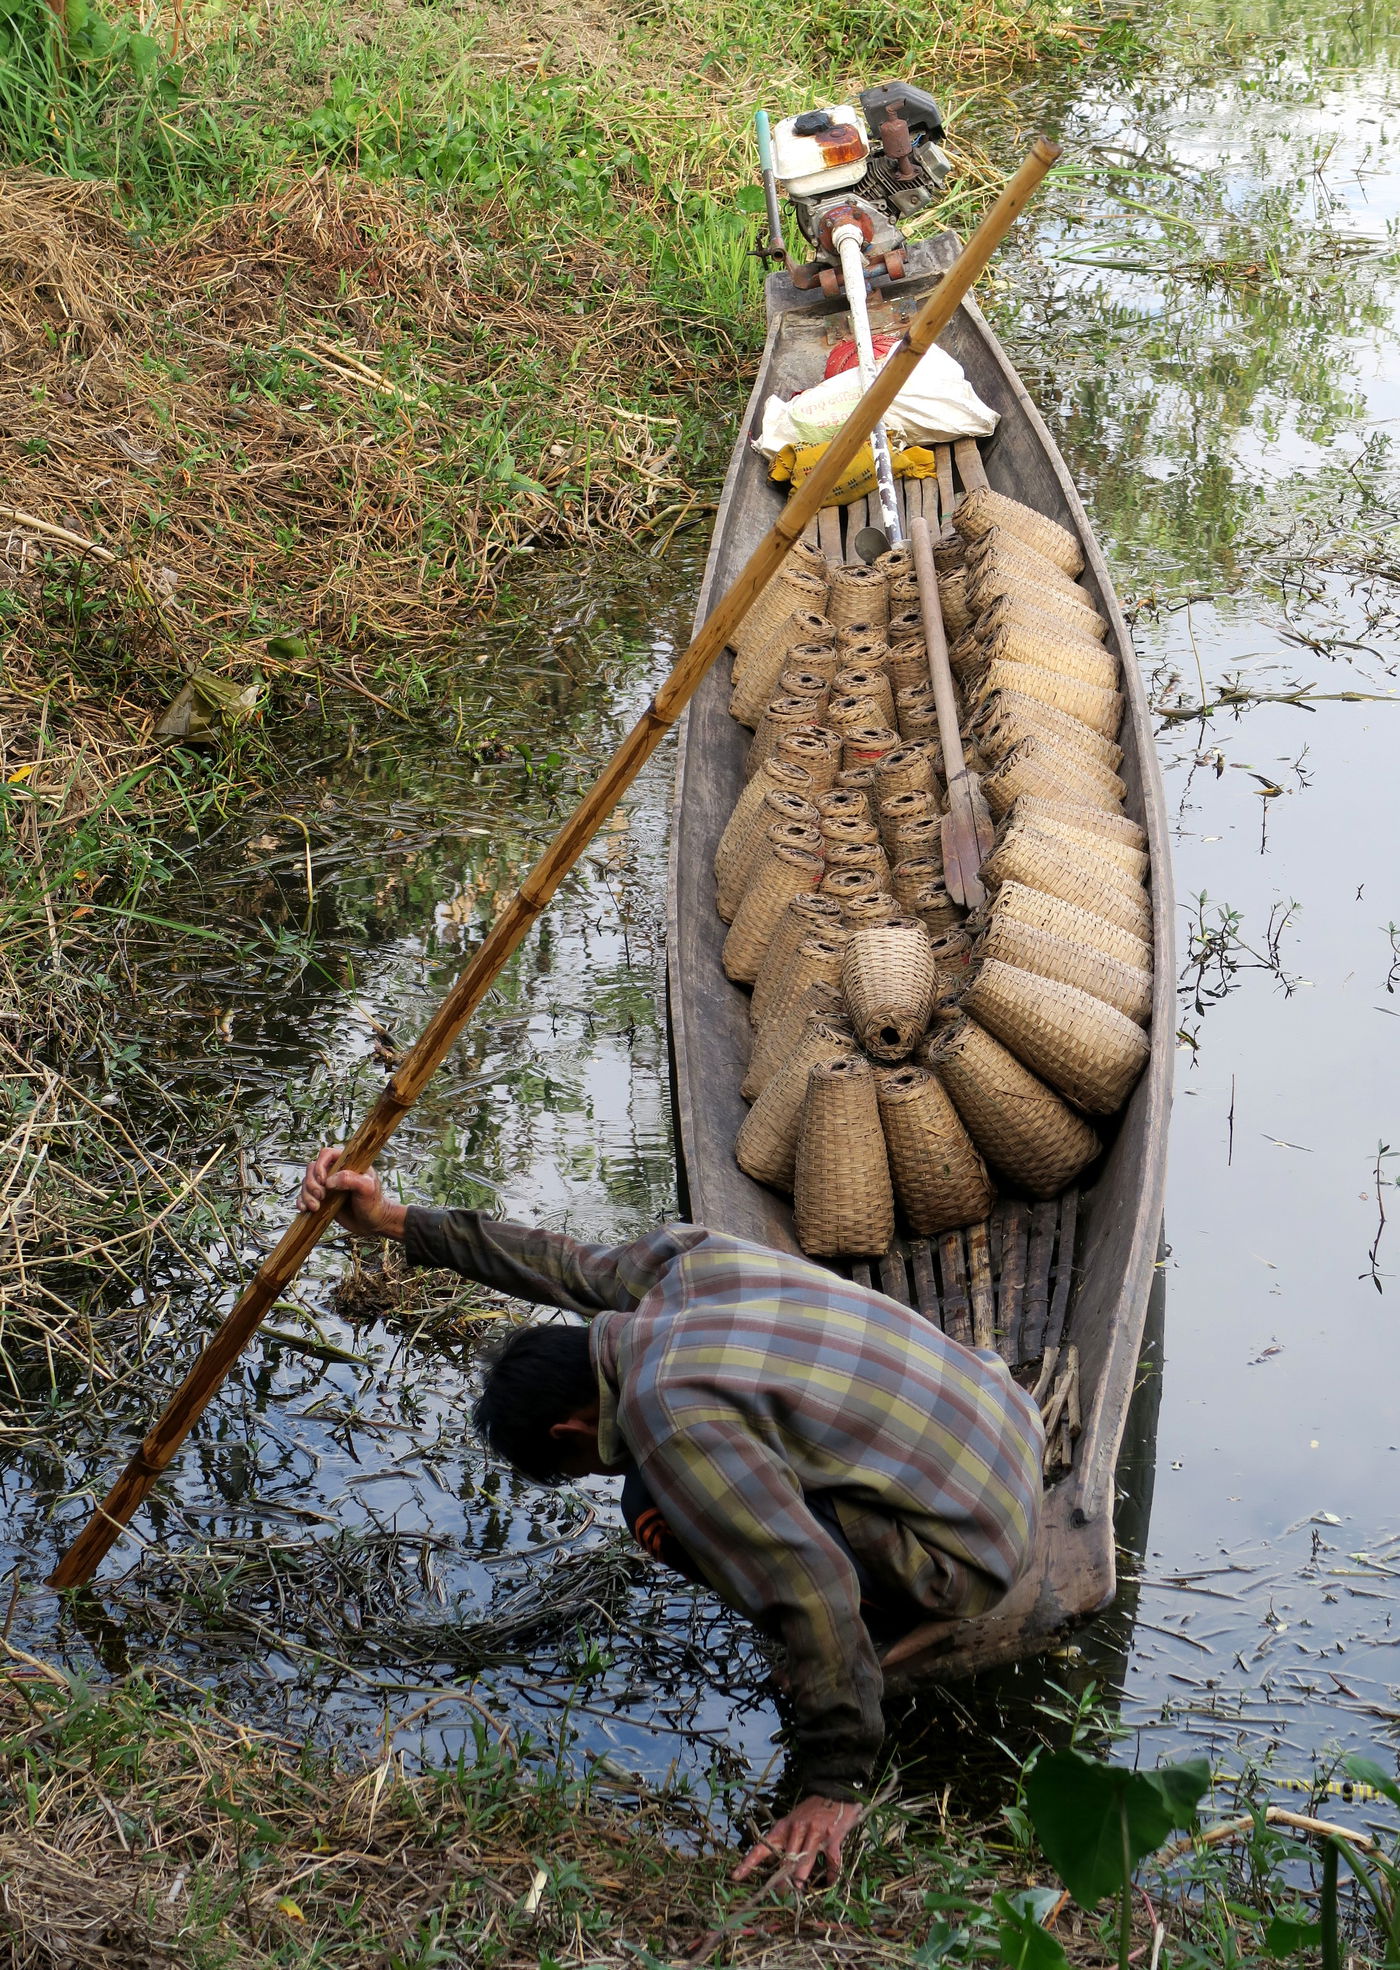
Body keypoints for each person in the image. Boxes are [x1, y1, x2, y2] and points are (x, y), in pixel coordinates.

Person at [297, 1148, 1044, 1888]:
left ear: (567, 1431)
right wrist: (390, 1221)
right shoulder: (687, 1267)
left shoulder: (671, 1415)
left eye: (575, 1466)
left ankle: (870, 1642)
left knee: (652, 1503)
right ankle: (846, 1641)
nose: (595, 1468)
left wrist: (832, 1783)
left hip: (970, 1555)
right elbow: (557, 1264)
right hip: (1009, 1418)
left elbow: (808, 1582)